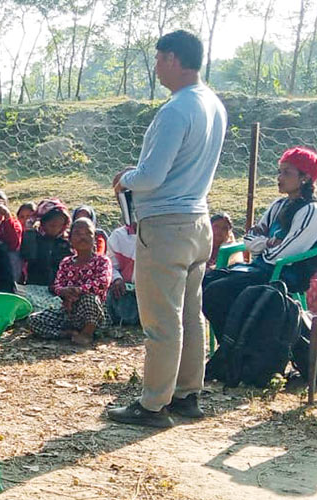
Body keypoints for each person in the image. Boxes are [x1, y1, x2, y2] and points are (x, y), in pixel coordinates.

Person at [109, 30, 227, 427]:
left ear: (174, 59)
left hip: (165, 225)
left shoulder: (176, 109)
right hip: (198, 221)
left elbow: (152, 175)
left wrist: (126, 177)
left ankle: (153, 404)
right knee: (191, 314)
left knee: (161, 320)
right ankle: (187, 394)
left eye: (159, 58)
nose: (156, 67)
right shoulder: (213, 104)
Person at [203, 147, 317, 336]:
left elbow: (282, 255)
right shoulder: (278, 206)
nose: (279, 177)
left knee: (216, 292)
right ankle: (236, 346)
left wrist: (263, 245)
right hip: (261, 269)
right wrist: (267, 243)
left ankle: (236, 350)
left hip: (284, 276)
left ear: (305, 178)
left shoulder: (312, 211)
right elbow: (249, 238)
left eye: (287, 172)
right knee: (204, 282)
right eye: (280, 172)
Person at [28, 217, 112, 346]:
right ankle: (68, 333)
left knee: (89, 299)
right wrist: (63, 291)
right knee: (34, 320)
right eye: (77, 234)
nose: (82, 237)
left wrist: (79, 291)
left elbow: (102, 282)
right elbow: (57, 284)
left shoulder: (102, 261)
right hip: (69, 312)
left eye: (87, 233)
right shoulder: (66, 262)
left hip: (94, 314)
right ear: (70, 239)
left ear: (94, 238)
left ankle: (87, 333)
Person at [19, 198, 72, 311]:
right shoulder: (34, 238)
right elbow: (28, 255)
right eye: (52, 225)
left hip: (58, 290)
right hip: (35, 287)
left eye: (60, 225)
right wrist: (29, 231)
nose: (56, 229)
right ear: (43, 222)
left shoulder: (66, 243)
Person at [105, 212, 139, 325]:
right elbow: (111, 266)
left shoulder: (162, 236)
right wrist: (117, 279)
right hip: (127, 289)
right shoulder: (118, 236)